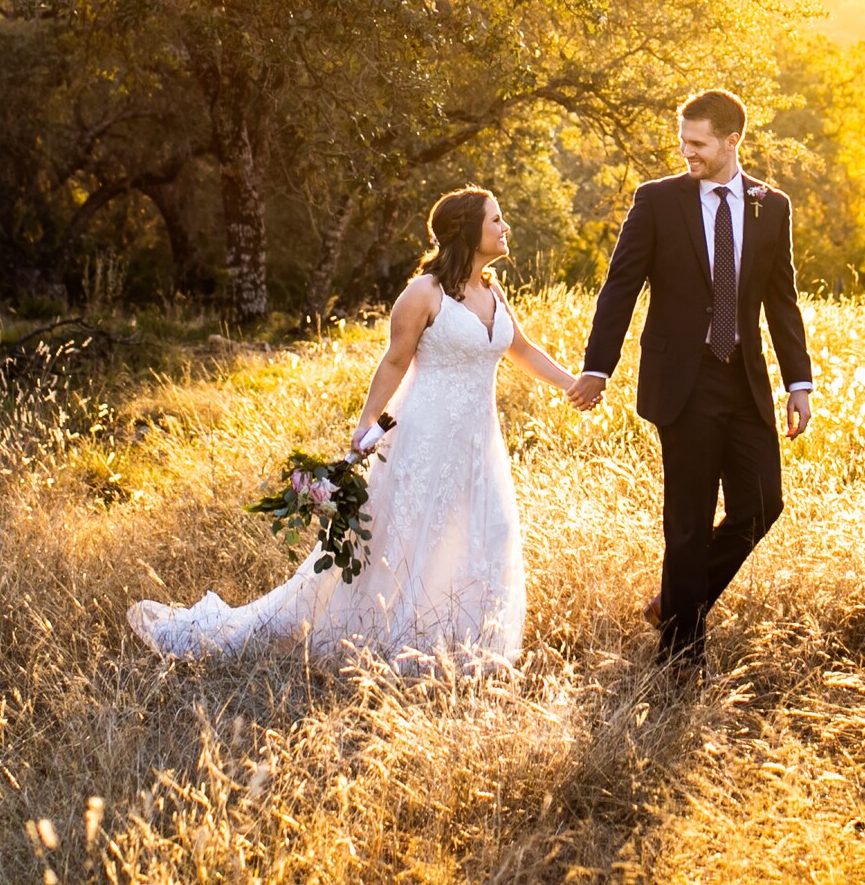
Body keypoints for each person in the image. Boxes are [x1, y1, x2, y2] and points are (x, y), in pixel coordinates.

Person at [127, 187, 576, 668]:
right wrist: (366, 427)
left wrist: (575, 385)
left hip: (479, 443)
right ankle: (386, 640)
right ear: (467, 230)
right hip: (422, 438)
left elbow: (522, 350)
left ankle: (462, 648)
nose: (505, 228)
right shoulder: (424, 293)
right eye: (496, 219)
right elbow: (394, 362)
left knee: (483, 535)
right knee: (402, 544)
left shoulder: (493, 292)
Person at [570, 89, 813, 668]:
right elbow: (620, 286)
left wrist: (798, 383)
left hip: (745, 379)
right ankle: (680, 656)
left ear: (733, 141)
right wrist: (597, 367)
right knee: (690, 517)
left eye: (699, 143)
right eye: (683, 142)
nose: (688, 153)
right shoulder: (657, 201)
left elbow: (782, 300)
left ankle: (677, 601)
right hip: (683, 380)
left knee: (763, 503)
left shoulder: (771, 205)